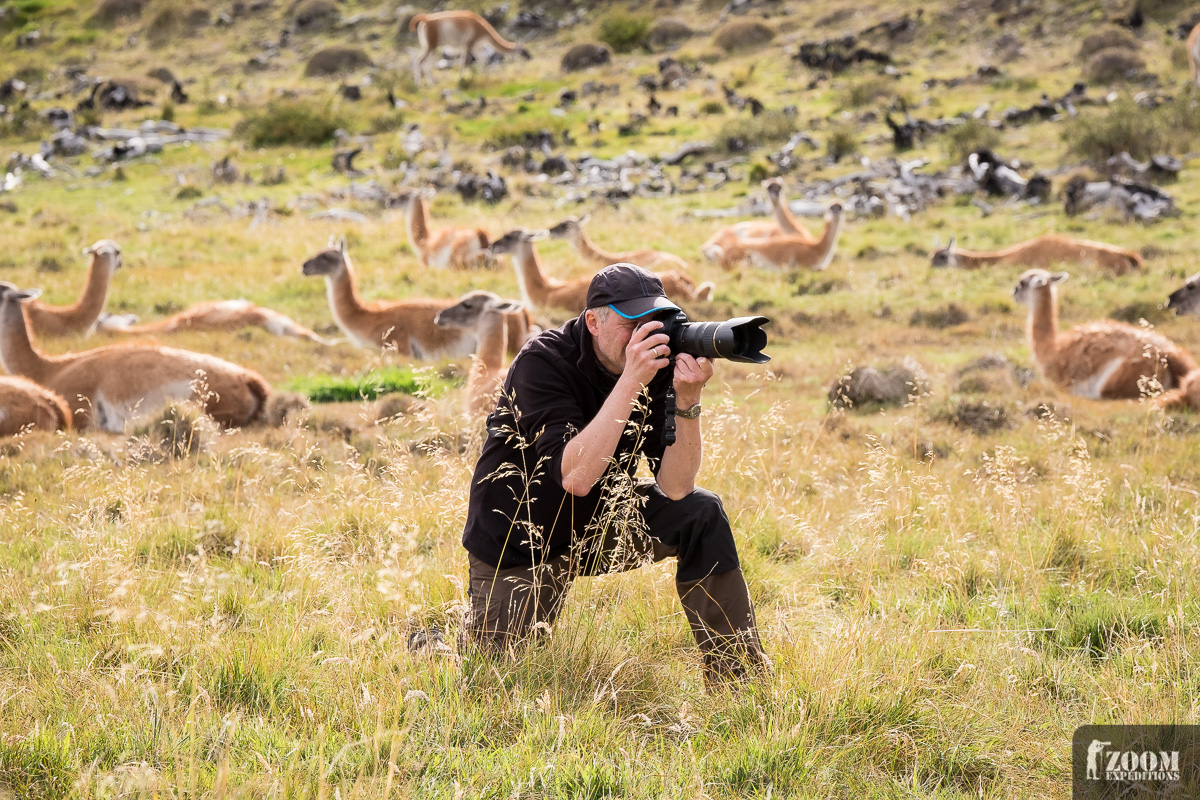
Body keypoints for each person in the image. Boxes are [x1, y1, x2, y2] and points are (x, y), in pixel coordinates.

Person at [461, 263, 768, 683]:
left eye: (654, 321)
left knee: (701, 512)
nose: (645, 333)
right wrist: (631, 380)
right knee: (498, 675)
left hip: (600, 522)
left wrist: (687, 398)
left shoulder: (655, 367)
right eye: (631, 323)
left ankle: (740, 677)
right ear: (593, 321)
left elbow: (677, 488)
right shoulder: (542, 362)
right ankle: (431, 642)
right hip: (519, 540)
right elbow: (576, 478)